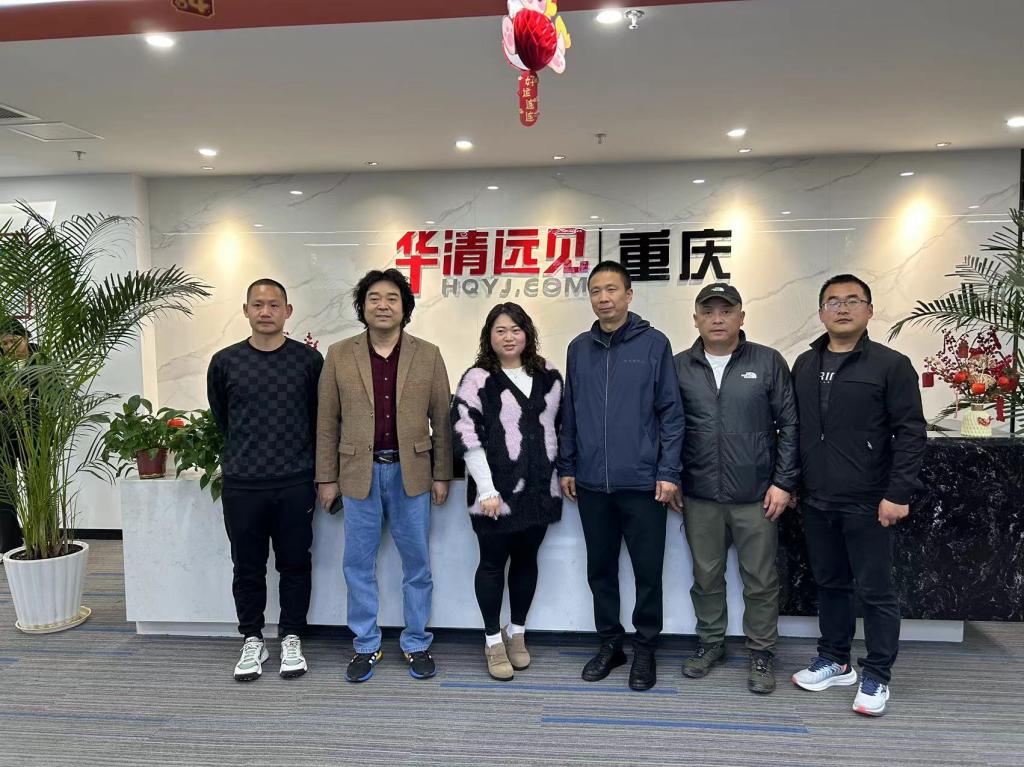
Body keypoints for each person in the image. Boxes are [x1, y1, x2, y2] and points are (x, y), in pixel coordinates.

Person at [790, 274, 926, 717]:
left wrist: (898, 492)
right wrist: (793, 484)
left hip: (869, 499)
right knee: (830, 584)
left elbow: (910, 432)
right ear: (821, 312)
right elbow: (796, 430)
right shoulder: (805, 364)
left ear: (869, 310)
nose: (842, 308)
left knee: (876, 591)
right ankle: (835, 659)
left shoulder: (891, 364)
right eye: (833, 301)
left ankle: (877, 675)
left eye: (852, 300)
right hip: (816, 499)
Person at [316, 268, 453, 683]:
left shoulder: (428, 354)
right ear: (362, 307)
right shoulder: (339, 354)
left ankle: (416, 642)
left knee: (418, 564)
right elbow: (327, 421)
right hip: (358, 473)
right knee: (358, 564)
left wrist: (442, 474)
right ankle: (365, 644)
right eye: (374, 298)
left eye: (392, 298)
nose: (383, 305)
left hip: (412, 474)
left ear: (404, 307)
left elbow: (442, 419)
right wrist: (327, 477)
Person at [557, 260, 684, 692]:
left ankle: (646, 648)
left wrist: (668, 471)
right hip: (592, 483)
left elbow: (671, 413)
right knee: (601, 570)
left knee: (648, 572)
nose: (604, 298)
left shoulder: (654, 344)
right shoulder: (579, 348)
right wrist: (568, 465)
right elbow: (571, 412)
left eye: (612, 289)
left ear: (629, 295)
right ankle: (610, 643)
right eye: (596, 291)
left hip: (644, 483)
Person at [673, 283, 798, 694]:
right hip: (699, 494)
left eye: (726, 311)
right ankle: (711, 643)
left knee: (760, 579)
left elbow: (790, 425)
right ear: (696, 319)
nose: (717, 319)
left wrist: (783, 482)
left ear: (741, 317)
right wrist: (672, 477)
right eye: (708, 311)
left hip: (756, 495)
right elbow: (667, 427)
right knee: (706, 576)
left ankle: (761, 652)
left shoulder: (767, 361)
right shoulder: (678, 366)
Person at [207, 279, 323, 682]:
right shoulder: (225, 361)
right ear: (245, 310)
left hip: (294, 481)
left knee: (295, 564)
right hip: (243, 482)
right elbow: (223, 416)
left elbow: (318, 418)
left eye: (274, 305)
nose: (265, 312)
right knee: (247, 567)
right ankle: (252, 638)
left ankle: (291, 637)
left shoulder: (309, 362)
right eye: (257, 305)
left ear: (288, 312)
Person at [451, 303, 564, 681]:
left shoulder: (549, 375)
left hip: (540, 490)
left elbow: (562, 426)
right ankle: (492, 640)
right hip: (494, 494)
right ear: (489, 336)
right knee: (492, 563)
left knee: (527, 560)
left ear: (527, 333)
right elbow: (466, 434)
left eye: (516, 329)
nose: (509, 337)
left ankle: (517, 632)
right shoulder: (477, 378)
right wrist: (486, 489)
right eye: (500, 330)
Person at [0, 317, 32, 555]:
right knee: (4, 490)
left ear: (26, 337)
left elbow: (55, 395)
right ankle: (9, 545)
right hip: (4, 437)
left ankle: (44, 539)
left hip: (35, 434)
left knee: (38, 487)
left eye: (14, 341)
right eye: (4, 343)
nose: (9, 347)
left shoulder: (43, 359)